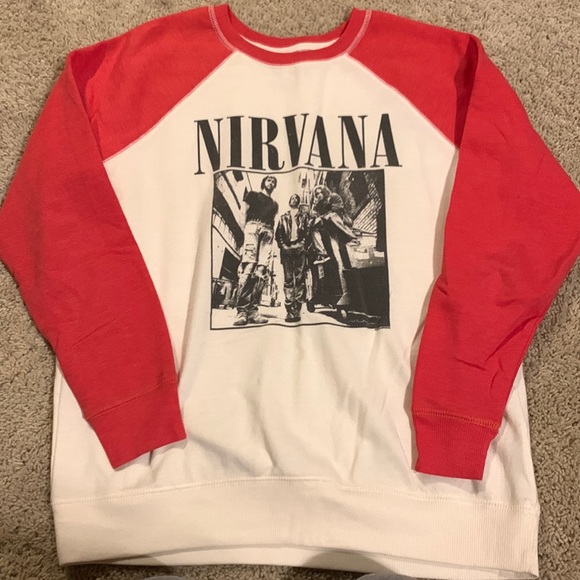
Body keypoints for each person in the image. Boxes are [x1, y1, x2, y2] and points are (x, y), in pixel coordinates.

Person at [233, 174, 279, 326]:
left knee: (261, 269)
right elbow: (243, 212)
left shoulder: (274, 204)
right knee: (249, 266)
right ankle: (242, 311)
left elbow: (272, 220)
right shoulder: (253, 195)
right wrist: (244, 231)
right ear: (264, 182)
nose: (271, 183)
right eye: (269, 180)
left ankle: (253, 311)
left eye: (273, 181)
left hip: (267, 232)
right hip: (252, 228)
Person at [275, 193, 311, 322]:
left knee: (300, 279)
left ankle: (298, 310)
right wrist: (283, 246)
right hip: (287, 249)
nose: (294, 200)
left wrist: (303, 244)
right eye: (292, 198)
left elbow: (307, 231)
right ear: (289, 201)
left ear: (298, 202)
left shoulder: (303, 216)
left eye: (296, 198)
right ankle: (289, 310)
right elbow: (278, 234)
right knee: (288, 279)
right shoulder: (283, 217)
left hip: (299, 248)